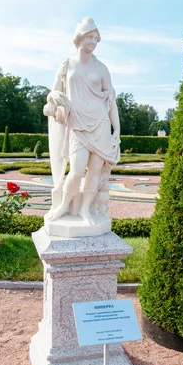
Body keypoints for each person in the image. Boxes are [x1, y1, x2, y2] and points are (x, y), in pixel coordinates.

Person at [44, 17, 120, 224]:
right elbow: (53, 93)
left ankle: (85, 210)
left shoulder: (102, 68)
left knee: (95, 170)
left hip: (101, 124)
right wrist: (53, 97)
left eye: (96, 37)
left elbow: (111, 101)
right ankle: (62, 207)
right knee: (76, 170)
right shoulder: (66, 65)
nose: (93, 41)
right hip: (77, 124)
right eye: (89, 37)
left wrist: (117, 131)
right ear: (79, 38)